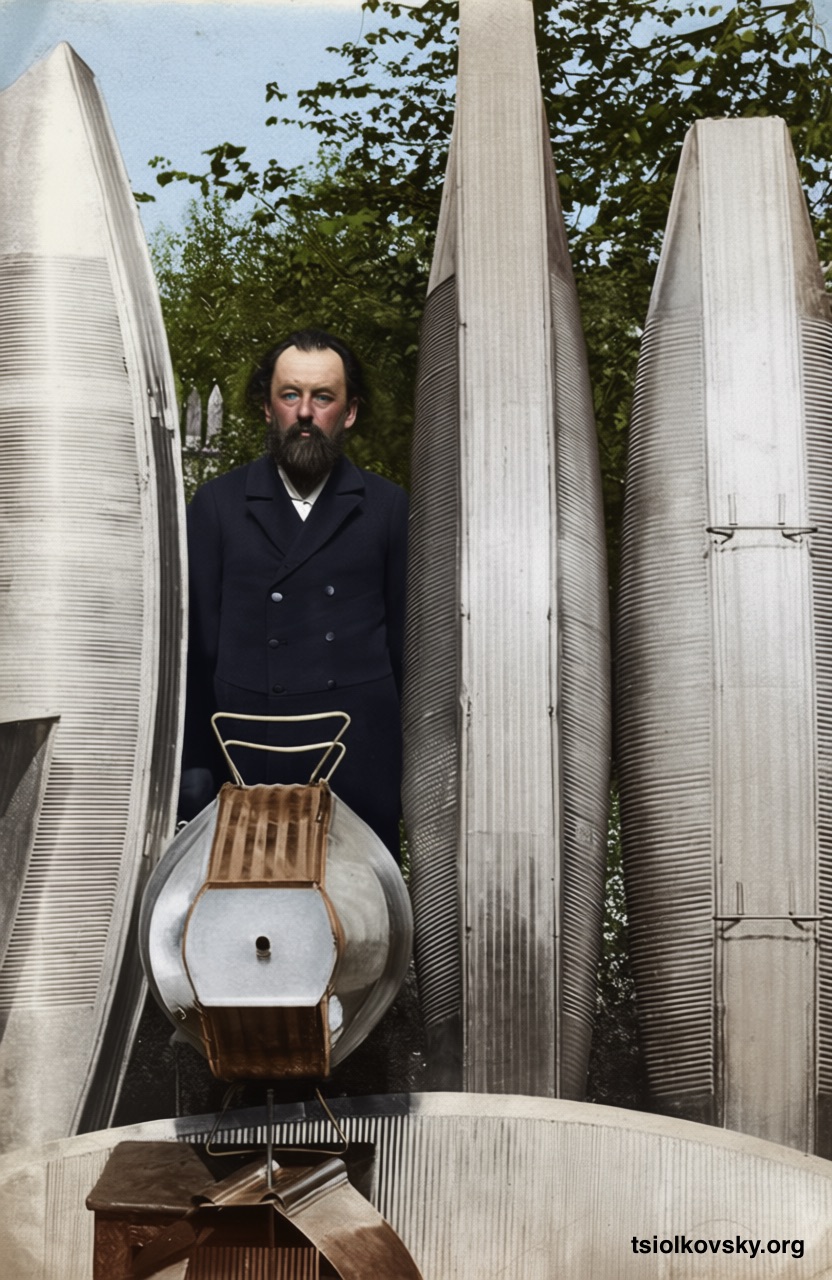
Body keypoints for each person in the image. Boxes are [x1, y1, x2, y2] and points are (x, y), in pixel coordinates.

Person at [179, 329, 408, 856]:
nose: (305, 412)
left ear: (348, 413)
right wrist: (194, 771)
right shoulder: (217, 506)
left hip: (354, 767)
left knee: (360, 929)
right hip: (245, 765)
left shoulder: (387, 507)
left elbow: (405, 651)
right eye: (290, 395)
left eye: (323, 397)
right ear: (267, 407)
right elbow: (195, 653)